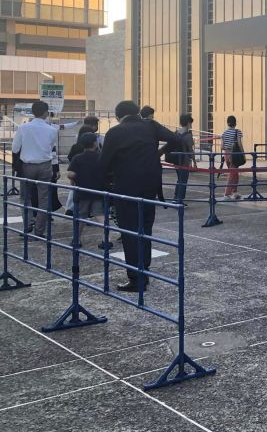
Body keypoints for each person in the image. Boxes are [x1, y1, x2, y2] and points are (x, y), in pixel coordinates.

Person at [99, 100, 180, 292]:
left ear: (118, 116)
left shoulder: (115, 132)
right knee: (145, 229)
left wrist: (107, 184)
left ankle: (136, 279)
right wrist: (159, 152)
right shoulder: (150, 126)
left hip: (126, 187)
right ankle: (145, 271)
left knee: (130, 232)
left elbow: (104, 164)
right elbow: (176, 139)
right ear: (137, 112)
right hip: (151, 185)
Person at [11, 101, 80, 237]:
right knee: (44, 198)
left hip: (27, 166)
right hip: (45, 166)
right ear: (46, 113)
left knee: (25, 197)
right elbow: (51, 148)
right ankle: (39, 230)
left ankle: (27, 224)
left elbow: (15, 148)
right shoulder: (52, 130)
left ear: (32, 112)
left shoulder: (23, 128)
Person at [66, 132, 104, 219]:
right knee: (99, 214)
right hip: (98, 191)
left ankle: (79, 229)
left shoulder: (77, 158)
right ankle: (106, 228)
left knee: (81, 215)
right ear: (95, 143)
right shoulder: (101, 157)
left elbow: (71, 174)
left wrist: (73, 182)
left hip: (82, 191)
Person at [164, 114, 195, 205]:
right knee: (183, 180)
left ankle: (176, 197)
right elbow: (190, 150)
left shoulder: (176, 133)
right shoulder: (188, 135)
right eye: (191, 123)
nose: (191, 125)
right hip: (184, 160)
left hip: (176, 159)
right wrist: (194, 161)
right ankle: (180, 199)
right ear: (188, 123)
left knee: (179, 179)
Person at [221, 115, 243, 201]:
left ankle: (234, 192)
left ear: (227, 123)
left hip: (226, 154)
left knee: (235, 173)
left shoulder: (224, 133)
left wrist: (227, 147)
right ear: (235, 123)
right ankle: (227, 194)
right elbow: (239, 144)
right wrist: (243, 153)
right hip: (234, 154)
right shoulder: (238, 132)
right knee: (232, 173)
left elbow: (222, 146)